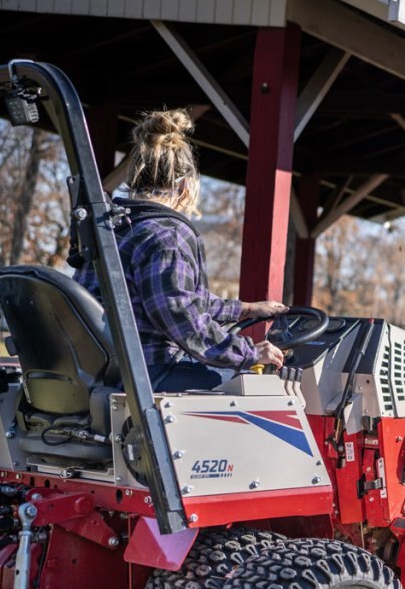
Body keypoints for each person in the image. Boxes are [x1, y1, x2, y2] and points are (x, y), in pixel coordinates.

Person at [76, 109, 286, 392]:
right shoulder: (167, 237)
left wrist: (246, 309)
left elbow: (175, 296)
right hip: (143, 375)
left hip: (100, 370)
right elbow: (179, 314)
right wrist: (248, 353)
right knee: (252, 391)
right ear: (186, 187)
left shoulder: (114, 228)